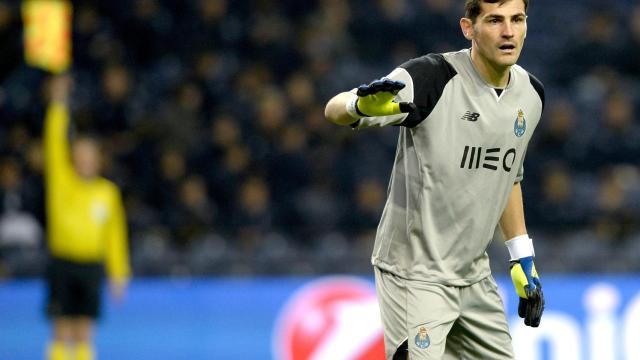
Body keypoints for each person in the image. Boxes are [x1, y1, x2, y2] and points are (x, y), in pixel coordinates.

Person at [324, 0, 544, 359]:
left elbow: (508, 176)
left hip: (474, 275)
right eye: (494, 20)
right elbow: (334, 108)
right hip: (415, 274)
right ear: (468, 28)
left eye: (517, 19)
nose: (508, 32)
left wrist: (522, 257)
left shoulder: (531, 96)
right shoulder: (431, 78)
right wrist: (359, 107)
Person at [43, 74, 130, 360]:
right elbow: (53, 142)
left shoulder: (107, 192)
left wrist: (118, 273)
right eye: (79, 154)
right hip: (63, 262)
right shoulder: (62, 182)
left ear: (98, 159)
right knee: (61, 329)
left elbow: (115, 234)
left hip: (91, 266)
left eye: (89, 155)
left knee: (85, 330)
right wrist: (58, 104)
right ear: (72, 157)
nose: (84, 160)